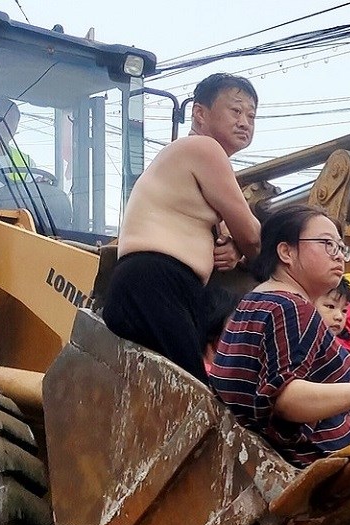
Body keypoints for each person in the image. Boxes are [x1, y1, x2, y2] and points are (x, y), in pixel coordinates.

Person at [210, 203, 350, 468]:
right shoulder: (291, 307)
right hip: (309, 475)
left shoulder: (258, 299)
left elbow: (290, 382)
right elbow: (285, 399)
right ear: (286, 251)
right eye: (327, 243)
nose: (339, 256)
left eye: (341, 247)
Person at [103, 73, 263, 383]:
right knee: (192, 396)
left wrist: (232, 249)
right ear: (200, 113)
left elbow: (227, 234)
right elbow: (252, 235)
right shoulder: (204, 149)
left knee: (163, 398)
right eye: (236, 111)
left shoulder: (191, 159)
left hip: (155, 284)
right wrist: (250, 250)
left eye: (252, 115)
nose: (245, 121)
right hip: (155, 280)